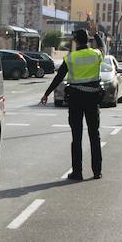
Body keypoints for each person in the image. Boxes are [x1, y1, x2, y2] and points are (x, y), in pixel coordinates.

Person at [40, 27, 104, 180]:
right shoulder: (96, 54)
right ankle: (97, 172)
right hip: (92, 99)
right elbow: (102, 47)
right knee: (94, 136)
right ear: (88, 39)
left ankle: (77, 172)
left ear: (75, 40)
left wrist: (46, 94)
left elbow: (58, 77)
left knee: (77, 137)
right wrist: (95, 34)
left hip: (76, 100)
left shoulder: (71, 58)